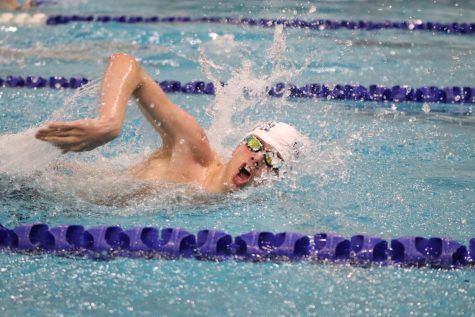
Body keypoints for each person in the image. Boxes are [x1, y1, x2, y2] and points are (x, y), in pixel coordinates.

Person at [36, 53, 305, 193]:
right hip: (41, 182)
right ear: (238, 145)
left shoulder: (221, 204)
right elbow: (126, 63)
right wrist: (109, 123)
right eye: (256, 144)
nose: (258, 157)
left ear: (274, 178)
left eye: (273, 159)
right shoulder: (194, 150)